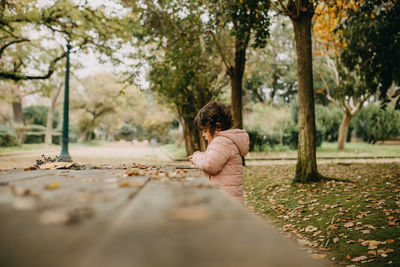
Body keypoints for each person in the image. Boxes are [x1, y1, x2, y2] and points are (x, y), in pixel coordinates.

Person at [189, 101, 250, 204]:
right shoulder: (225, 142)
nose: (203, 135)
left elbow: (210, 165)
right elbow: (215, 158)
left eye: (204, 130)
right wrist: (203, 156)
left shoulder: (221, 141)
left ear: (217, 126)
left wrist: (196, 156)